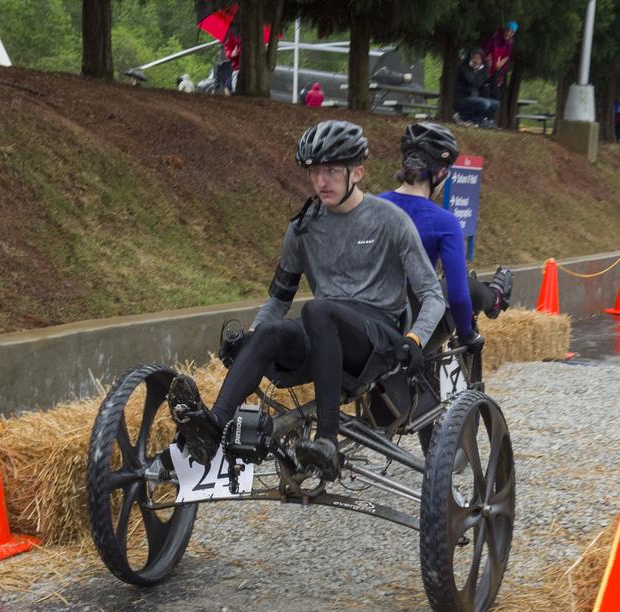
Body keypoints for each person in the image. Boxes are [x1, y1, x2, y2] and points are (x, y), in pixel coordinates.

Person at [166, 121, 445, 482]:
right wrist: (250, 336)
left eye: (331, 171)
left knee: (317, 309)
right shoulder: (302, 228)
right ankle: (212, 429)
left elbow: (432, 295)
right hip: (323, 333)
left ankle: (326, 441)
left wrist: (417, 337)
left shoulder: (392, 221)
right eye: (315, 171)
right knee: (271, 333)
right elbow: (279, 299)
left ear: (357, 172)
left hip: (375, 343)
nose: (321, 181)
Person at [379, 122, 512, 343]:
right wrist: (467, 336)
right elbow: (458, 296)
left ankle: (493, 295)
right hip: (418, 326)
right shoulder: (444, 222)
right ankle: (495, 297)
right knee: (461, 285)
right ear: (440, 172)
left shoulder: (374, 204)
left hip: (375, 320)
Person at [482, 21, 517, 124]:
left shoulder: (510, 43)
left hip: (496, 71)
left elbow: (505, 60)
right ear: (505, 29)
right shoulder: (494, 37)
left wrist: (501, 76)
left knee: (496, 95)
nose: (509, 34)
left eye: (512, 32)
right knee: (485, 92)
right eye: (508, 30)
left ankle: (490, 119)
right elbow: (485, 51)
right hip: (485, 69)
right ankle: (482, 118)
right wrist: (487, 58)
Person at [454, 48, 498, 128]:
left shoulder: (482, 70)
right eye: (474, 58)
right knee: (485, 103)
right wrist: (478, 70)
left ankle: (480, 120)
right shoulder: (464, 68)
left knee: (495, 104)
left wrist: (495, 70)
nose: (476, 60)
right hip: (463, 98)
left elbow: (491, 84)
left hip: (475, 98)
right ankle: (464, 117)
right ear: (471, 57)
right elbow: (475, 83)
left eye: (478, 58)